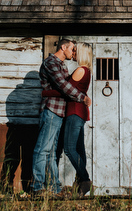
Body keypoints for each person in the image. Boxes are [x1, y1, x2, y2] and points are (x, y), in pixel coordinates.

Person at [32, 38, 92, 196]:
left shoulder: (63, 66)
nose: (74, 52)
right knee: (43, 149)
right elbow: (64, 86)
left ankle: (54, 187)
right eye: (72, 49)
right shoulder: (51, 62)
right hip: (52, 109)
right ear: (63, 47)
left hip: (61, 112)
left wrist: (46, 92)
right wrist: (82, 97)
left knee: (53, 152)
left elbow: (66, 88)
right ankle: (38, 187)